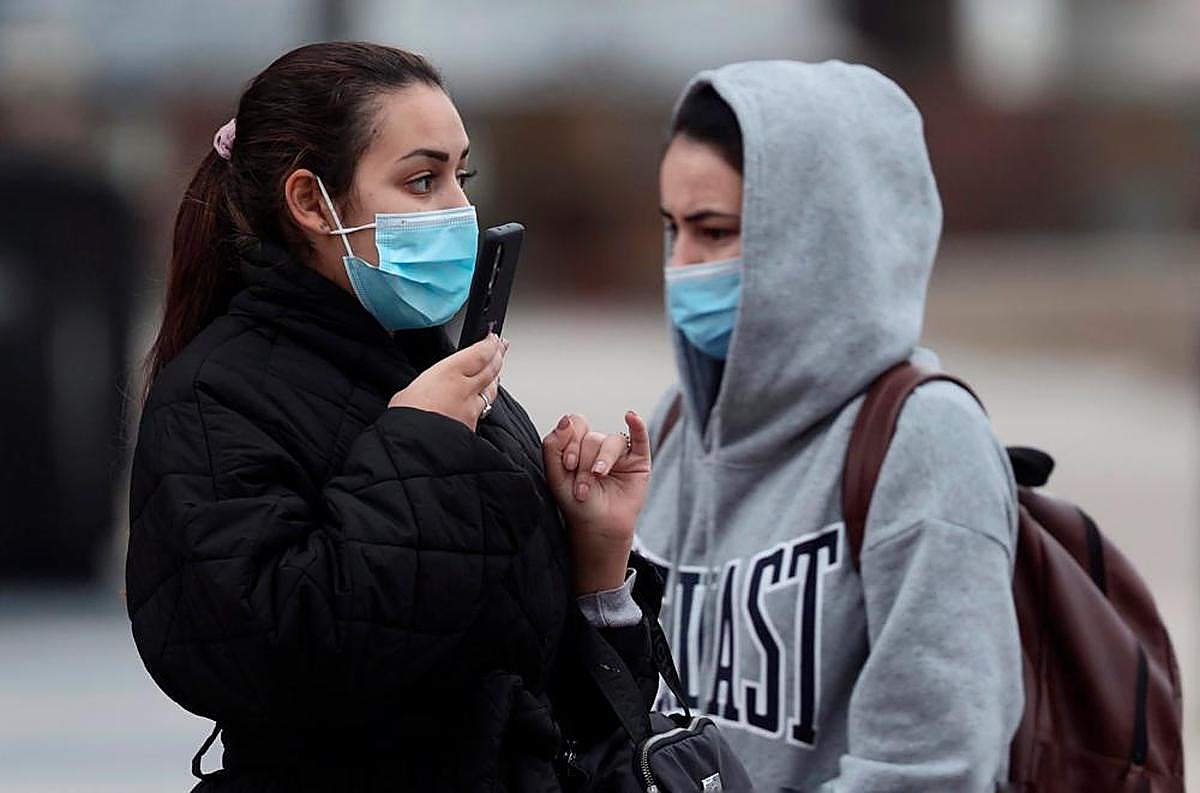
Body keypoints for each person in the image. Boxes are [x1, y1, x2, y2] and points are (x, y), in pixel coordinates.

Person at [126, 41, 658, 792]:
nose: (459, 210)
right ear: (311, 202)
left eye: (462, 176)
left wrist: (597, 563)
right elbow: (267, 655)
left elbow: (545, 696)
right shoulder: (217, 395)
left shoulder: (431, 370)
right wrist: (419, 446)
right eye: (422, 180)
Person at [635, 60, 1023, 791]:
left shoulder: (925, 439)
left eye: (714, 231)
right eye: (672, 229)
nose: (680, 265)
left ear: (820, 235)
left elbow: (931, 770)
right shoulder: (679, 421)